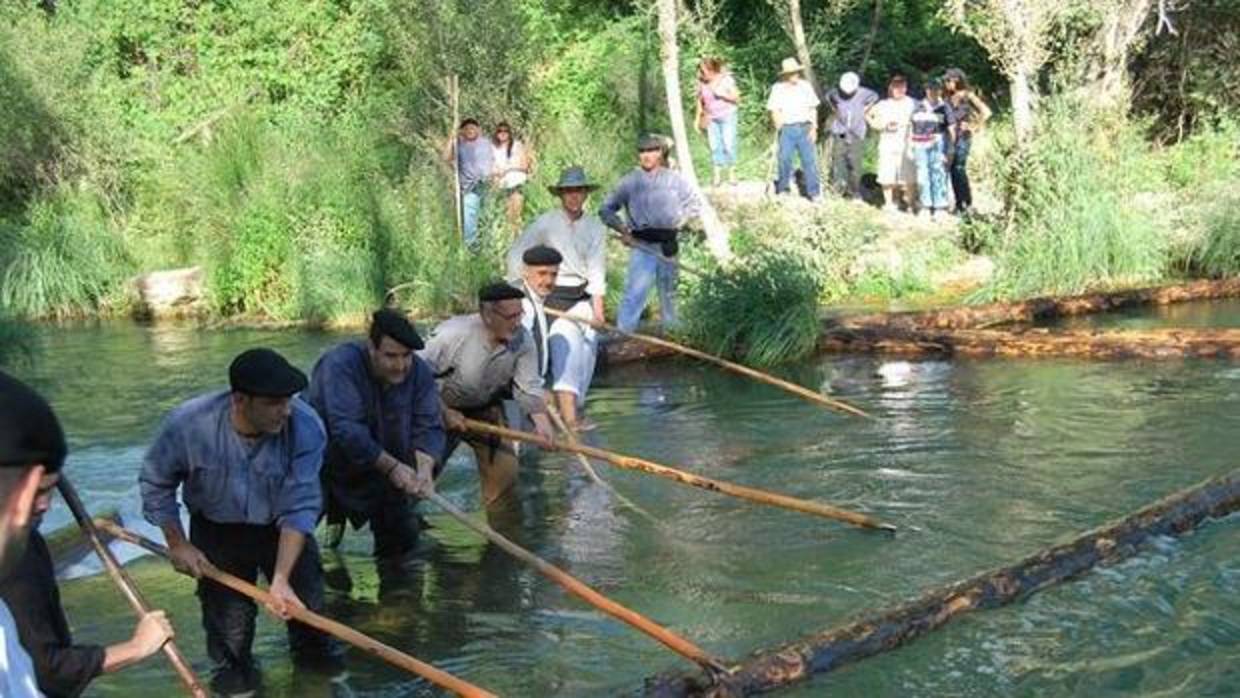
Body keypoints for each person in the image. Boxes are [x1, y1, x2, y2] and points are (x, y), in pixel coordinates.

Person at [140, 349, 343, 697]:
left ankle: (318, 684)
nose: (287, 410)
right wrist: (178, 544)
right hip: (217, 531)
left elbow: (300, 506)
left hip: (282, 530)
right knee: (229, 636)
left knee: (309, 617)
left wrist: (280, 580)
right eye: (274, 402)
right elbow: (156, 483)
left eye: (289, 399)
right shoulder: (188, 425)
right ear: (240, 400)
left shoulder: (306, 427)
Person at [2, 372, 145, 698]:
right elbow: (50, 672)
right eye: (41, 491)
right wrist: (136, 647)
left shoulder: (29, 546)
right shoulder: (17, 562)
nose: (46, 506)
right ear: (23, 495)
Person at [305, 309, 445, 564]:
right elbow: (347, 429)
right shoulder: (340, 365)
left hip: (383, 468)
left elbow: (428, 425)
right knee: (296, 539)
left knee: (403, 549)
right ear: (372, 347)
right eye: (391, 356)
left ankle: (396, 601)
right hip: (323, 464)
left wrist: (424, 470)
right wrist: (392, 468)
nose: (400, 365)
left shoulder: (419, 372)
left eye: (406, 356)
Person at [419, 283, 556, 514]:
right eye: (509, 316)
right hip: (437, 408)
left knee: (506, 479)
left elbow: (528, 386)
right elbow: (415, 374)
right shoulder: (453, 334)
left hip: (486, 410)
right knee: (419, 474)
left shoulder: (523, 339)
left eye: (519, 314)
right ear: (487, 314)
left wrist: (541, 422)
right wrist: (443, 411)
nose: (516, 322)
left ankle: (501, 533)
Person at [506, 167, 607, 429]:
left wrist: (598, 312)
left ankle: (573, 406)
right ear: (561, 195)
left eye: (578, 191)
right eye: (568, 192)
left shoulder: (595, 227)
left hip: (580, 297)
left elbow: (597, 270)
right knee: (565, 346)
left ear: (585, 194)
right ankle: (570, 418)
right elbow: (518, 253)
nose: (574, 197)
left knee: (587, 350)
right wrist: (520, 289)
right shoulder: (546, 222)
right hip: (550, 295)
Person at [600, 135, 701, 333]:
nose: (646, 155)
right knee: (635, 292)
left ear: (660, 153)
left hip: (668, 244)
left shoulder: (675, 179)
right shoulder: (629, 182)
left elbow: (694, 203)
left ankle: (673, 334)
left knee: (670, 291)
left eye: (652, 151)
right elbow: (606, 209)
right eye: (642, 151)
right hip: (642, 245)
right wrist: (622, 230)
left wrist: (680, 222)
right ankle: (623, 334)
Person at [766, 57, 822, 199]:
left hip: (805, 127)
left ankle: (814, 192)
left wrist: (814, 128)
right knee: (784, 158)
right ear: (785, 75)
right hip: (787, 128)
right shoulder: (777, 88)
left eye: (797, 72)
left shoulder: (806, 86)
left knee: (809, 161)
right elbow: (773, 109)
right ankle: (783, 188)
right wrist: (778, 123)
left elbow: (813, 108)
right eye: (792, 73)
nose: (795, 75)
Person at [943, 68, 993, 215]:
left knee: (959, 167)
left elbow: (986, 112)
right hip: (950, 136)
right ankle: (959, 203)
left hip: (963, 136)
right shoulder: (947, 98)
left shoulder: (968, 96)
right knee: (952, 169)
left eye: (948, 80)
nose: (946, 83)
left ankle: (967, 202)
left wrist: (974, 126)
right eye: (946, 81)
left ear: (956, 80)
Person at [824, 71, 879, 200]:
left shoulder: (865, 93)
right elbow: (828, 98)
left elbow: (875, 97)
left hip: (857, 132)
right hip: (840, 131)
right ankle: (837, 190)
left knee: (855, 164)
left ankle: (855, 192)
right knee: (838, 161)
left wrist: (866, 109)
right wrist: (835, 109)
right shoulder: (835, 93)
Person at [867, 75, 918, 212]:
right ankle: (889, 204)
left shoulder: (914, 103)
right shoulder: (883, 104)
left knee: (909, 175)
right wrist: (880, 126)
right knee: (887, 174)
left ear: (906, 88)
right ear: (891, 88)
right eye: (895, 86)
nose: (898, 89)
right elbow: (868, 115)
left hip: (907, 143)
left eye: (901, 86)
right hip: (887, 143)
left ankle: (910, 203)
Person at [443, 117, 494, 248]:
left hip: (487, 184)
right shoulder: (459, 145)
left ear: (479, 129)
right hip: (470, 187)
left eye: (473, 127)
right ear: (462, 131)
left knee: (488, 216)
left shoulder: (487, 143)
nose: (470, 130)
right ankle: (472, 248)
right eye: (467, 128)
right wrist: (451, 137)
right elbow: (446, 158)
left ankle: (488, 247)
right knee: (470, 219)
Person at [909, 78, 956, 219]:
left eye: (935, 89)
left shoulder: (945, 107)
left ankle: (940, 206)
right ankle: (925, 206)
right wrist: (910, 146)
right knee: (923, 174)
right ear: (926, 90)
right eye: (930, 89)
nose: (932, 92)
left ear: (940, 90)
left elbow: (952, 129)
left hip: (938, 143)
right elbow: (911, 127)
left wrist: (950, 149)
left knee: (939, 173)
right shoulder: (918, 106)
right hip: (920, 144)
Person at [694, 57, 741, 187]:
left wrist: (722, 95)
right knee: (714, 146)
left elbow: (737, 98)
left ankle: (732, 173)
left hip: (727, 116)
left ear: (712, 70)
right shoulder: (701, 83)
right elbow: (700, 101)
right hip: (711, 117)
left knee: (728, 144)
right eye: (700, 71)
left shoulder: (725, 80)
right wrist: (697, 118)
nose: (701, 74)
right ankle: (717, 175)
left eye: (703, 71)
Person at [490, 121, 532, 231]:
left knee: (516, 216)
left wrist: (508, 168)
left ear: (509, 133)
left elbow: (524, 165)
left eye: (505, 131)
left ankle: (519, 239)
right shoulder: (493, 148)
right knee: (507, 217)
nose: (502, 133)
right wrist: (496, 173)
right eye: (500, 131)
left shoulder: (517, 145)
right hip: (501, 185)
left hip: (516, 183)